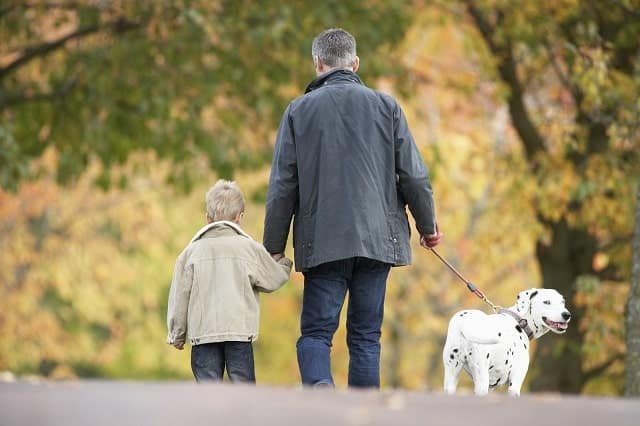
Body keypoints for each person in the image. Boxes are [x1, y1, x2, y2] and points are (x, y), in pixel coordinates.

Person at [263, 28, 442, 388]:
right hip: (378, 240)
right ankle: (363, 414)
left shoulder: (299, 111)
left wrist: (273, 247)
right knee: (365, 337)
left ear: (318, 63)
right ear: (355, 63)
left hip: (323, 240)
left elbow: (283, 186)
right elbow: (414, 175)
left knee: (316, 333)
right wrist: (428, 226)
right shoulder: (386, 106)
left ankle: (322, 398)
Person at [167, 179, 293, 383]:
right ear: (239, 217)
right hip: (239, 333)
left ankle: (211, 415)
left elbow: (180, 297)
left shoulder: (191, 253)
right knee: (242, 386)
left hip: (203, 335)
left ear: (208, 218)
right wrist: (284, 264)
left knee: (208, 389)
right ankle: (242, 416)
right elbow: (272, 279)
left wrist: (177, 334)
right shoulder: (248, 249)